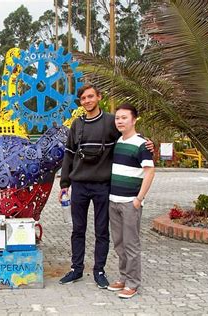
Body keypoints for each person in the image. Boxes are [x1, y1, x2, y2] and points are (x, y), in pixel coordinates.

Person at [58, 84, 119, 289]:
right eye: (83, 98)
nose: (87, 101)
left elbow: (128, 139)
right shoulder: (77, 124)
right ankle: (76, 269)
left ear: (99, 97)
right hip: (80, 185)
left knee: (102, 230)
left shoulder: (111, 122)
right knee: (78, 229)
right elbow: (68, 154)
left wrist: (145, 144)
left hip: (103, 185)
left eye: (90, 97)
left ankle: (99, 271)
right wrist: (64, 185)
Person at [107, 103, 155, 299]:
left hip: (130, 203)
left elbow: (150, 171)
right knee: (119, 243)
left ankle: (133, 283)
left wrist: (139, 199)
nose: (120, 121)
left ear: (134, 120)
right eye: (117, 118)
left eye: (124, 117)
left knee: (131, 244)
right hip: (113, 201)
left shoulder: (142, 144)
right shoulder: (117, 141)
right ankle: (124, 277)